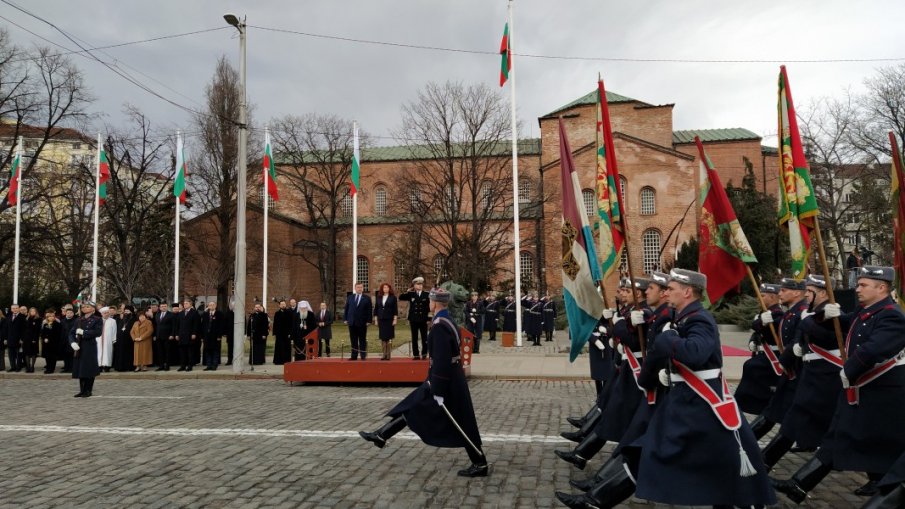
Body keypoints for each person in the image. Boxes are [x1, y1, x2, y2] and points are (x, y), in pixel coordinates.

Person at [772, 266, 905, 504]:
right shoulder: (864, 312)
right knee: (837, 436)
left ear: (882, 287)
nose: (858, 288)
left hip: (880, 393)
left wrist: (850, 369)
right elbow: (840, 323)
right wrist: (824, 315)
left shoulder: (891, 315)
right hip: (863, 390)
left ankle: (885, 491)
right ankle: (799, 484)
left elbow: (875, 348)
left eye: (864, 284)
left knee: (880, 445)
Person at [359, 286, 489, 477]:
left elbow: (443, 358)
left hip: (446, 381)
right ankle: (381, 434)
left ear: (435, 303)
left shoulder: (440, 325)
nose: (429, 302)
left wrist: (438, 389)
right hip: (444, 378)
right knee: (413, 406)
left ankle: (480, 463)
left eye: (430, 300)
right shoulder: (445, 319)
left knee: (461, 422)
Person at [761, 274, 842, 470]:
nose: (806, 295)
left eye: (810, 291)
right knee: (799, 421)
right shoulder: (815, 312)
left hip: (827, 378)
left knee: (839, 428)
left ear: (822, 293)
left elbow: (832, 338)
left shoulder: (830, 312)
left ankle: (765, 461)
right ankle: (766, 461)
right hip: (811, 375)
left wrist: (814, 322)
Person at [747, 277, 810, 440]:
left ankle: (751, 447)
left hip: (799, 371)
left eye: (783, 290)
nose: (779, 293)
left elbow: (799, 337)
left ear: (796, 293)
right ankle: (747, 443)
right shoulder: (791, 311)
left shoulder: (801, 311)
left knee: (785, 414)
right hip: (790, 370)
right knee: (774, 411)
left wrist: (784, 360)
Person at [733, 283, 785, 415]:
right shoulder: (764, 312)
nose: (759, 298)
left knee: (752, 369)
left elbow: (777, 330)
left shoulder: (778, 313)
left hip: (773, 357)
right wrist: (753, 340)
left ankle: (755, 405)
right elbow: (756, 329)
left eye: (763, 295)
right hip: (763, 355)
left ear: (773, 297)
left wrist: (765, 322)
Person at [69, 301, 103, 397]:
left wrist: (84, 332)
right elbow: (71, 333)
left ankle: (88, 390)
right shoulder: (78, 320)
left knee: (89, 368)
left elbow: (98, 332)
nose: (84, 308)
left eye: (87, 307)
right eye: (83, 307)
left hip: (89, 346)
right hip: (79, 346)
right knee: (80, 368)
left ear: (93, 308)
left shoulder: (97, 319)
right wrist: (72, 342)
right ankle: (82, 390)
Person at [398, 277, 430, 359]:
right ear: (414, 285)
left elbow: (429, 308)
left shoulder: (426, 294)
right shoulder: (411, 294)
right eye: (418, 284)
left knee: (424, 338)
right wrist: (408, 290)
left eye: (421, 284)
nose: (420, 286)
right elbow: (401, 297)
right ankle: (416, 355)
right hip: (414, 319)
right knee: (414, 337)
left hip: (423, 319)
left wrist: (429, 319)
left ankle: (424, 354)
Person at [344, 282, 372, 361]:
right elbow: (346, 309)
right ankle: (354, 356)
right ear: (355, 288)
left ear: (363, 288)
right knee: (353, 340)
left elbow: (369, 310)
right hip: (352, 322)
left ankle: (363, 355)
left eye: (361, 287)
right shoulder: (350, 297)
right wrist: (345, 319)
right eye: (358, 287)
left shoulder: (367, 298)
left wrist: (369, 320)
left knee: (362, 339)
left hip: (362, 322)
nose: (359, 289)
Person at [374, 283, 398, 361]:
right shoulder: (379, 297)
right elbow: (376, 309)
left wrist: (395, 319)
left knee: (389, 337)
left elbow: (395, 309)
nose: (385, 289)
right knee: (383, 338)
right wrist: (376, 320)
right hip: (381, 319)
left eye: (387, 287)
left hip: (389, 319)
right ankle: (384, 354)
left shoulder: (393, 298)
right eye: (384, 287)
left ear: (389, 288)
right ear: (382, 289)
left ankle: (388, 355)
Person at [177, 299, 201, 372]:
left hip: (190, 335)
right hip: (182, 335)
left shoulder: (194, 313)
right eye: (184, 303)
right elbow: (178, 325)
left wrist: (194, 333)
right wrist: (177, 334)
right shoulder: (181, 313)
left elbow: (196, 324)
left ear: (190, 304)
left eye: (186, 303)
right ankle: (183, 365)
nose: (185, 305)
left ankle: (190, 365)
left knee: (190, 351)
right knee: (182, 352)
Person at [200, 301, 223, 370]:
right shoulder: (205, 314)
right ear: (208, 306)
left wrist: (219, 336)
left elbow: (221, 326)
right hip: (207, 336)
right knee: (208, 351)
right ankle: (208, 365)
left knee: (215, 351)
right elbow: (203, 325)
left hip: (215, 336)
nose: (211, 306)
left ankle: (214, 365)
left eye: (213, 305)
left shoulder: (219, 314)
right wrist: (202, 336)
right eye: (210, 305)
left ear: (215, 306)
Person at [113, 306, 136, 372]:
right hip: (120, 339)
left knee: (128, 353)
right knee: (120, 352)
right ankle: (120, 367)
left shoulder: (134, 319)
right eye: (125, 311)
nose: (126, 313)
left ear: (131, 312)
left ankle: (128, 366)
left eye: (128, 311)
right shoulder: (122, 318)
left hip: (129, 339)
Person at [154, 302, 176, 371]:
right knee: (160, 352)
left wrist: (172, 334)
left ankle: (167, 366)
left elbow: (174, 326)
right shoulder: (157, 314)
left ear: (167, 307)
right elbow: (156, 326)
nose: (163, 307)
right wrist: (155, 335)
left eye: (165, 306)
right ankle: (161, 366)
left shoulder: (171, 315)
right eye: (162, 306)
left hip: (167, 336)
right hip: (159, 336)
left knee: (167, 352)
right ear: (160, 307)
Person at [40, 309, 62, 374]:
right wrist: (44, 338)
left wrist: (50, 338)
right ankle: (48, 367)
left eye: (52, 316)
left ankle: (52, 369)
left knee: (53, 357)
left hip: (54, 343)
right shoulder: (45, 324)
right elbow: (42, 333)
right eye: (49, 316)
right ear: (47, 317)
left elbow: (58, 334)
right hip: (46, 344)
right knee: (47, 356)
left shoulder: (57, 324)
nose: (51, 317)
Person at [272, 300, 293, 365]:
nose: (283, 305)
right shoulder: (277, 313)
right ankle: (278, 361)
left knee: (287, 347)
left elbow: (291, 324)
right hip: (279, 334)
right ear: (279, 305)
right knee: (279, 347)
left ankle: (286, 360)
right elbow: (275, 324)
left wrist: (290, 333)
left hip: (287, 334)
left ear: (285, 305)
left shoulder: (289, 313)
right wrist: (274, 333)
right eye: (281, 304)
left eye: (284, 304)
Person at [59, 305, 76, 373]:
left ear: (73, 314)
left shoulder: (76, 321)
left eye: (71, 313)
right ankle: (66, 368)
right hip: (64, 340)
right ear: (65, 313)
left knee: (71, 355)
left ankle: (71, 368)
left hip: (72, 340)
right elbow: (60, 331)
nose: (69, 314)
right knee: (65, 355)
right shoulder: (62, 321)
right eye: (68, 313)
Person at [22, 306, 40, 373]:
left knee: (33, 353)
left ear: (36, 312)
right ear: (29, 312)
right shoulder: (26, 319)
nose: (32, 312)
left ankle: (32, 366)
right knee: (26, 353)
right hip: (26, 339)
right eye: (31, 311)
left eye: (34, 311)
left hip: (34, 338)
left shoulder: (38, 319)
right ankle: (28, 366)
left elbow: (37, 330)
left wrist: (34, 339)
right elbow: (24, 329)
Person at [98, 306, 116, 373]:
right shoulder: (98, 320)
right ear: (101, 314)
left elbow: (114, 331)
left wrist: (114, 339)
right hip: (99, 339)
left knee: (107, 353)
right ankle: (99, 365)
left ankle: (107, 366)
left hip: (108, 340)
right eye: (104, 313)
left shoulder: (113, 321)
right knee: (99, 352)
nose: (106, 314)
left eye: (107, 313)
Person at [6, 304, 23, 372]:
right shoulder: (9, 317)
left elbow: (24, 329)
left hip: (18, 339)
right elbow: (6, 328)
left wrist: (22, 338)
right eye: (13, 308)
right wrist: (6, 338)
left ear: (18, 309)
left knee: (18, 354)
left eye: (16, 308)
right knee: (11, 355)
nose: (15, 309)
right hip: (10, 339)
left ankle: (18, 367)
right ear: (11, 309)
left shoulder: (22, 317)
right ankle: (12, 367)